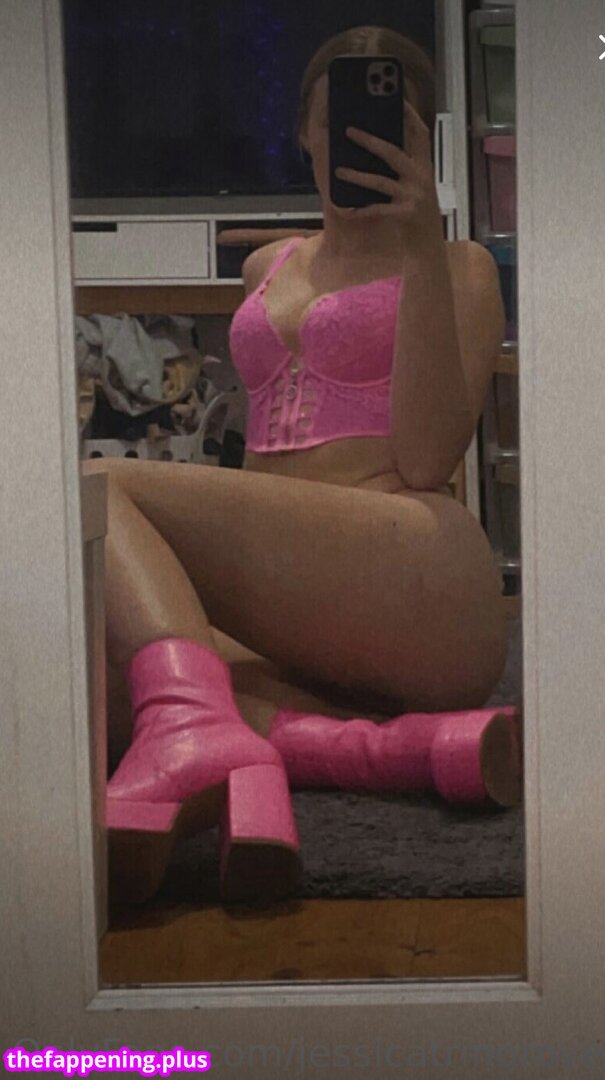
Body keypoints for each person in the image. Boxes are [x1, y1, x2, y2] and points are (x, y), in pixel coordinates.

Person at [84, 26, 521, 909]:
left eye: (384, 126)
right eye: (337, 123)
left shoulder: (460, 266)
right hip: (293, 603)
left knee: (101, 484)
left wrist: (422, 242)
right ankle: (384, 753)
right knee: (98, 685)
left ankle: (202, 732)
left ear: (418, 140)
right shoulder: (266, 265)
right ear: (306, 134)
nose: (355, 141)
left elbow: (429, 456)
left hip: (415, 567)